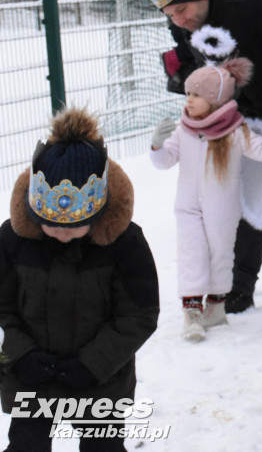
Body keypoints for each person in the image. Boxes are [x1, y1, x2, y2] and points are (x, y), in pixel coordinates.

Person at [0, 107, 159, 450]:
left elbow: (139, 314)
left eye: (73, 227)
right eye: (51, 225)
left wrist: (94, 363)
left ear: (98, 213)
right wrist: (20, 355)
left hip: (100, 378)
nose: (61, 235)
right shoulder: (12, 241)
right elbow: (2, 310)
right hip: (32, 377)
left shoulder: (125, 243)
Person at [142, 0, 262, 314]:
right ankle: (236, 287)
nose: (179, 21)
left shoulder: (254, 2)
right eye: (171, 16)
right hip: (226, 125)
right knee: (235, 203)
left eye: (180, 11)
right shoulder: (188, 27)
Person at [150, 58, 262, 341]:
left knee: (220, 254)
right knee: (192, 254)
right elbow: (164, 161)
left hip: (222, 210)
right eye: (188, 94)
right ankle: (191, 313)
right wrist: (156, 145)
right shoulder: (183, 130)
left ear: (214, 100)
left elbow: (260, 150)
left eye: (196, 95)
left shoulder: (235, 132)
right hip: (187, 207)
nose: (189, 100)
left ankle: (215, 309)